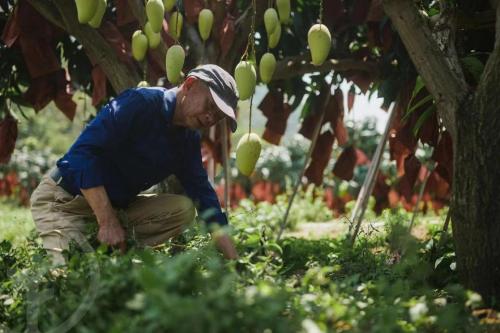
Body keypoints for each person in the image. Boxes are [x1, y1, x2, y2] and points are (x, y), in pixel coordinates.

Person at [30, 64, 239, 265]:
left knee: (182, 209)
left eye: (218, 116)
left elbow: (205, 198)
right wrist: (107, 220)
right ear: (190, 84)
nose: (211, 116)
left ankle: (109, 248)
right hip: (65, 201)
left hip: (115, 210)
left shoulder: (187, 141)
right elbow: (81, 155)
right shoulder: (139, 103)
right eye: (210, 106)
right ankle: (100, 246)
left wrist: (236, 264)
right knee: (71, 282)